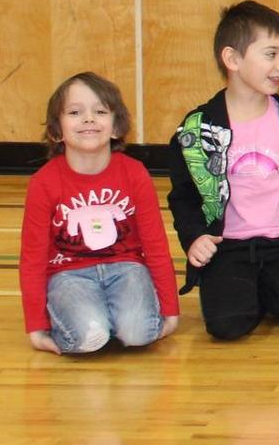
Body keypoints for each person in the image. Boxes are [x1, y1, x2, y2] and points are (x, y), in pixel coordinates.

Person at [169, 1, 279, 340]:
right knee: (227, 326)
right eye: (271, 54)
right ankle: (252, 291)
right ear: (232, 59)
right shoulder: (197, 128)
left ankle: (271, 288)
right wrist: (195, 237)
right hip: (228, 246)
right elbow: (183, 196)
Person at [22, 73, 178, 354]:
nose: (88, 119)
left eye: (100, 111)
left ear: (116, 126)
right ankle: (95, 320)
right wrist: (36, 327)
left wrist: (170, 311)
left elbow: (156, 246)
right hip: (68, 275)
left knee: (139, 334)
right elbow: (32, 259)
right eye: (74, 112)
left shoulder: (135, 174)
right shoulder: (43, 183)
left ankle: (116, 320)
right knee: (88, 337)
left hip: (127, 269)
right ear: (56, 132)